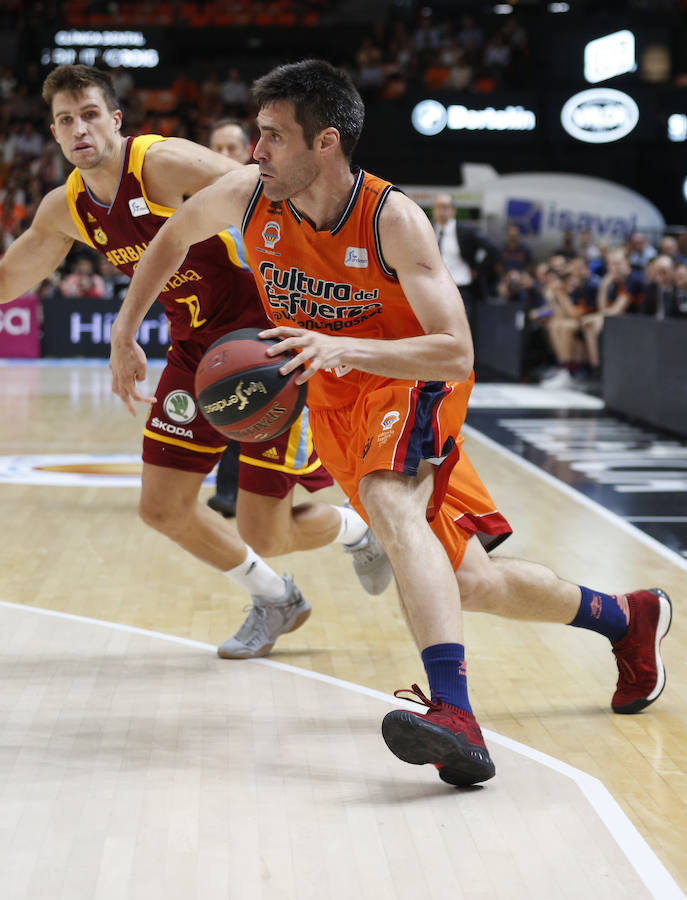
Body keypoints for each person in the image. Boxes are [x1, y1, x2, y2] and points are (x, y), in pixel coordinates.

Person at [114, 59, 672, 788]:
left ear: (326, 143)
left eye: (274, 137)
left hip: (411, 379)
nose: (256, 152)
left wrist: (340, 345)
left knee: (386, 500)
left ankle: (454, 715)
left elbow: (455, 351)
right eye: (257, 135)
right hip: (335, 399)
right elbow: (171, 237)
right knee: (466, 581)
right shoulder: (248, 195)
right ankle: (625, 619)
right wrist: (128, 331)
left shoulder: (390, 218)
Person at [0, 63, 392, 661]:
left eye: (89, 114)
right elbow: (12, 276)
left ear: (115, 120)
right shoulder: (67, 208)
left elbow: (273, 189)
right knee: (161, 507)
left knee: (266, 529)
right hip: (194, 350)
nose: (79, 128)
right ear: (53, 135)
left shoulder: (163, 162)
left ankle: (359, 531)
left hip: (267, 341)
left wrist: (329, 295)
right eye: (65, 120)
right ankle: (275, 598)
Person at [204, 118, 253, 518]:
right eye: (215, 149)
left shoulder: (272, 197)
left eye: (231, 148)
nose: (223, 157)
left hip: (270, 318)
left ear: (248, 150)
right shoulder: (196, 205)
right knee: (230, 403)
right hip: (218, 322)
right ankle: (229, 489)